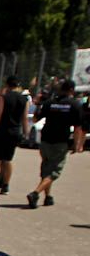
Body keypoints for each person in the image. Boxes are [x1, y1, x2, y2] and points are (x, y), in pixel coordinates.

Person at [26, 79, 84, 208]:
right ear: (72, 90)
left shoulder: (50, 103)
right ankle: (35, 193)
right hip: (60, 141)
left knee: (47, 168)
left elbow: (36, 119)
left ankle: (47, 197)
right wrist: (76, 144)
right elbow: (78, 128)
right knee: (54, 172)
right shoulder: (74, 105)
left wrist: (38, 105)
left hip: (45, 140)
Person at [0, 76, 29, 194]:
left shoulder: (4, 98)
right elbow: (25, 118)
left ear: (7, 85)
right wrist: (26, 133)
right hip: (15, 131)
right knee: (8, 159)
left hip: (2, 131)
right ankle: (5, 185)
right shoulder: (24, 99)